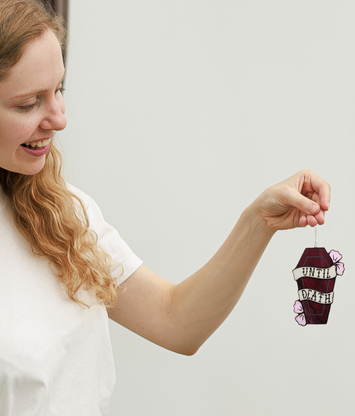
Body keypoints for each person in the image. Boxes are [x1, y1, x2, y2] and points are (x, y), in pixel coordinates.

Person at [0, 0, 331, 414]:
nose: (59, 119)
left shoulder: (60, 211)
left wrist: (258, 221)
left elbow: (177, 321)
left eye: (59, 90)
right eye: (29, 103)